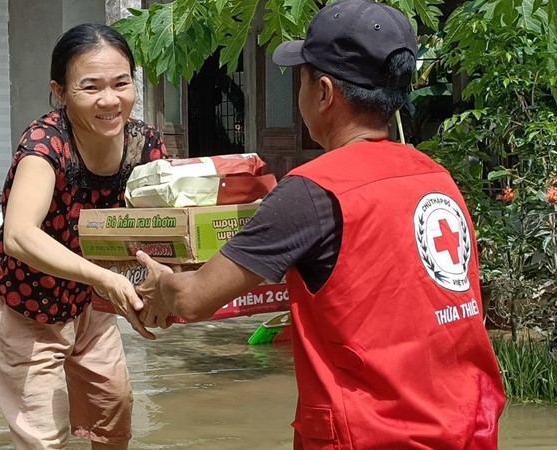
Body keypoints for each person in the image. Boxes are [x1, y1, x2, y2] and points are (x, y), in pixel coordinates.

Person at [135, 1, 507, 448]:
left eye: (302, 79)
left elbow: (194, 299)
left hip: (372, 436)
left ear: (325, 93)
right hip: (465, 428)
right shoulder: (436, 178)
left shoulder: (314, 190)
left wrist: (157, 281)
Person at [0, 23, 167, 450]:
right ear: (60, 92)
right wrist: (105, 278)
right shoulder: (45, 144)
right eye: (90, 87)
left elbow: (166, 227)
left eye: (121, 83)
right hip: (25, 303)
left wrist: (166, 287)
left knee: (113, 411)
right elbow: (20, 236)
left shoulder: (145, 145)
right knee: (42, 438)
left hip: (91, 302)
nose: (110, 100)